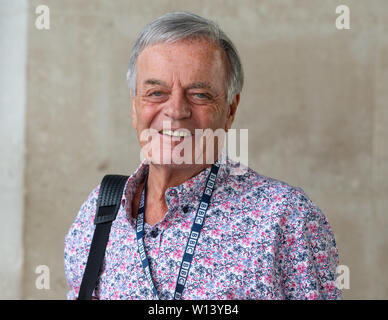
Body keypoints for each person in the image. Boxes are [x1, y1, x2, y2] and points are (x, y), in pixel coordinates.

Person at [64, 11, 342, 300]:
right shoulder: (99, 212)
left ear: (230, 111)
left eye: (199, 95)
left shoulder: (287, 218)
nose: (176, 111)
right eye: (156, 92)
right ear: (135, 108)